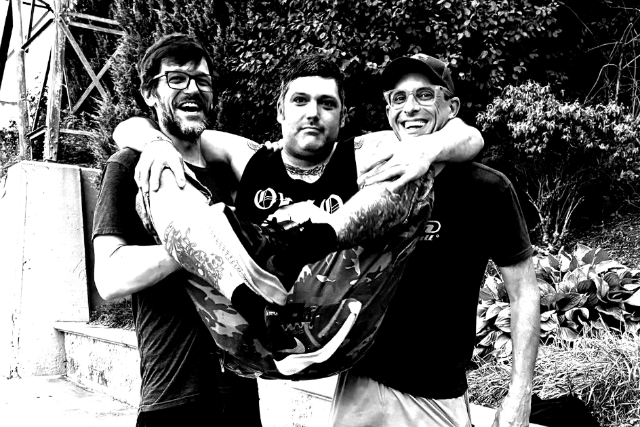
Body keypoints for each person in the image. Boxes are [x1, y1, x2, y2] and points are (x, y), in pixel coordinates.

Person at [113, 51, 484, 379]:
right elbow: (136, 126)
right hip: (246, 333)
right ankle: (256, 303)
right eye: (300, 101)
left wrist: (427, 149)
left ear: (342, 115)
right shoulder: (247, 156)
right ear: (280, 111)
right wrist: (156, 145)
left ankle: (306, 242)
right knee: (159, 172)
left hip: (330, 331)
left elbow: (468, 137)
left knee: (411, 166)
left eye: (327, 104)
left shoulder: (365, 152)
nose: (312, 113)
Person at [329, 54, 540, 427]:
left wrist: (520, 394)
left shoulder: (487, 188)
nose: (410, 108)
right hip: (359, 384)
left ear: (451, 108)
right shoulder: (367, 180)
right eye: (398, 98)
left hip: (437, 395)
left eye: (424, 95)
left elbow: (523, 293)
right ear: (388, 111)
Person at [92, 34, 264, 427]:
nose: (193, 89)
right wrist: (201, 240)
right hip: (173, 396)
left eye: (202, 80)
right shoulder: (128, 165)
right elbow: (110, 277)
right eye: (176, 79)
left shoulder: (228, 172)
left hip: (241, 392)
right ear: (149, 94)